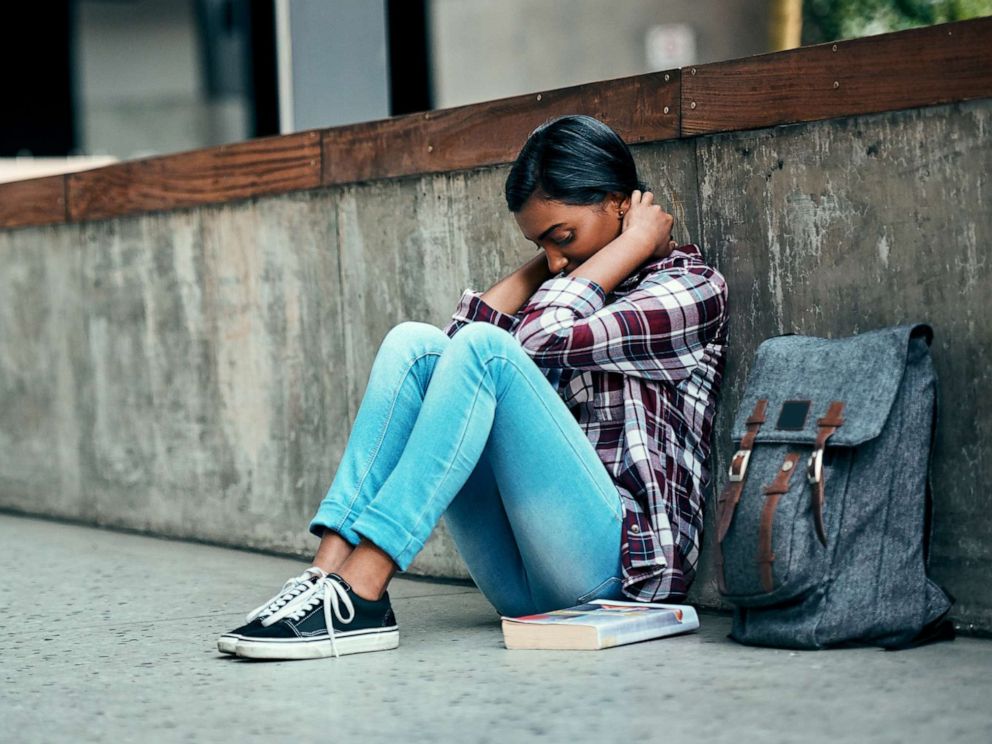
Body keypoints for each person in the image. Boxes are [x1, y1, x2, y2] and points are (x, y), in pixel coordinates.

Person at [217, 114, 728, 661]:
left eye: (562, 238)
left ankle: (364, 588)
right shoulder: (566, 284)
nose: (555, 260)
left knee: (488, 350)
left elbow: (533, 336)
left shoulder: (687, 288)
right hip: (522, 585)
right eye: (541, 246)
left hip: (619, 581)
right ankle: (327, 576)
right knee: (413, 345)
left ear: (618, 203)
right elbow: (446, 358)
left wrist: (631, 247)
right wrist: (553, 259)